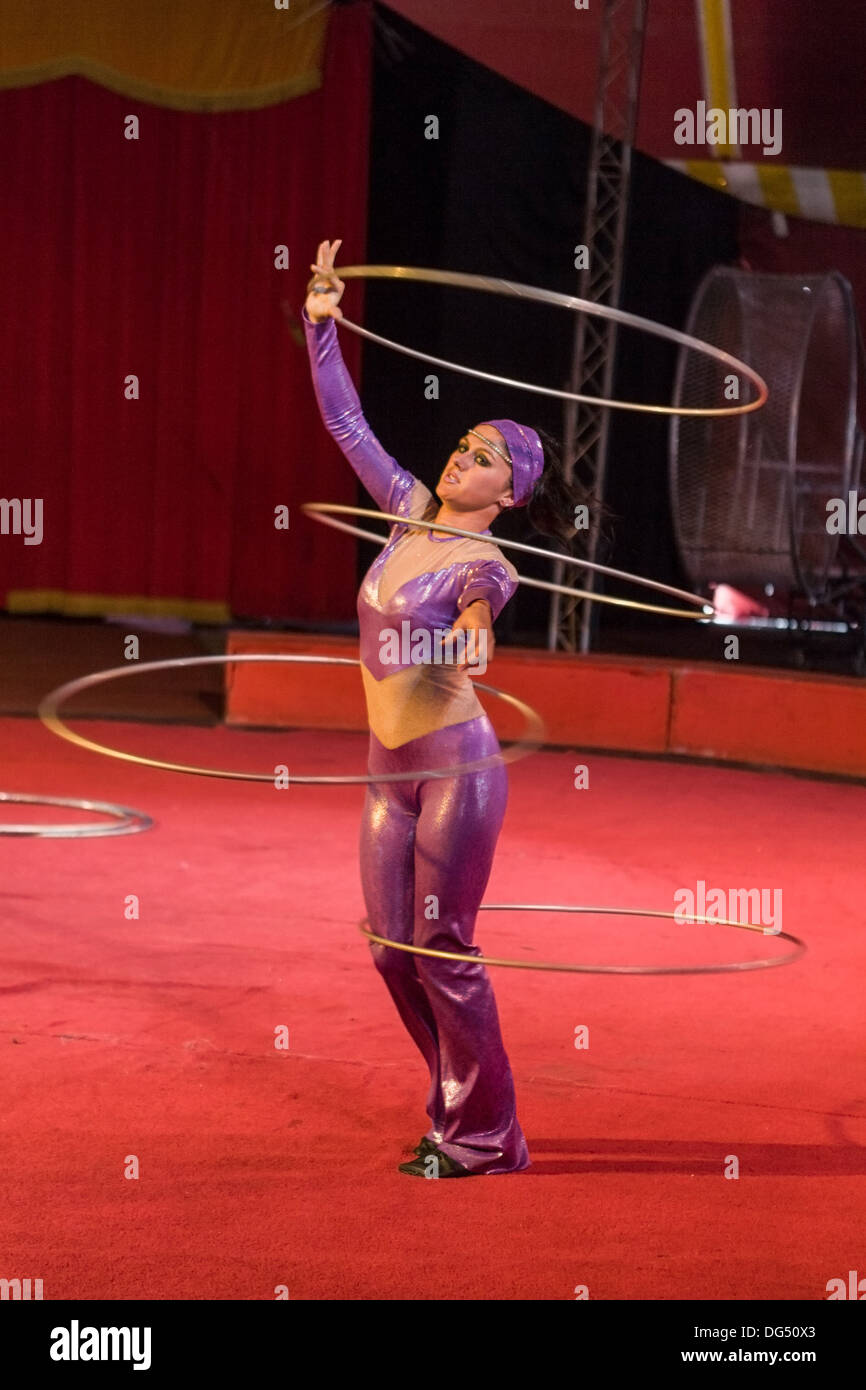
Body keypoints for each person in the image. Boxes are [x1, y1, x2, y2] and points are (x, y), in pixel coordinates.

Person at [302, 239, 605, 1177]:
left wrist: (470, 638)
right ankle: (458, 1107)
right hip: (385, 778)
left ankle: (484, 1136)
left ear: (507, 493)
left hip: (453, 771)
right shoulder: (402, 512)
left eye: (479, 458)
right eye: (461, 443)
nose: (458, 456)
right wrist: (320, 326)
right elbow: (350, 428)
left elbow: (478, 622)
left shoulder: (489, 563)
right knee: (393, 954)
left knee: (442, 945)